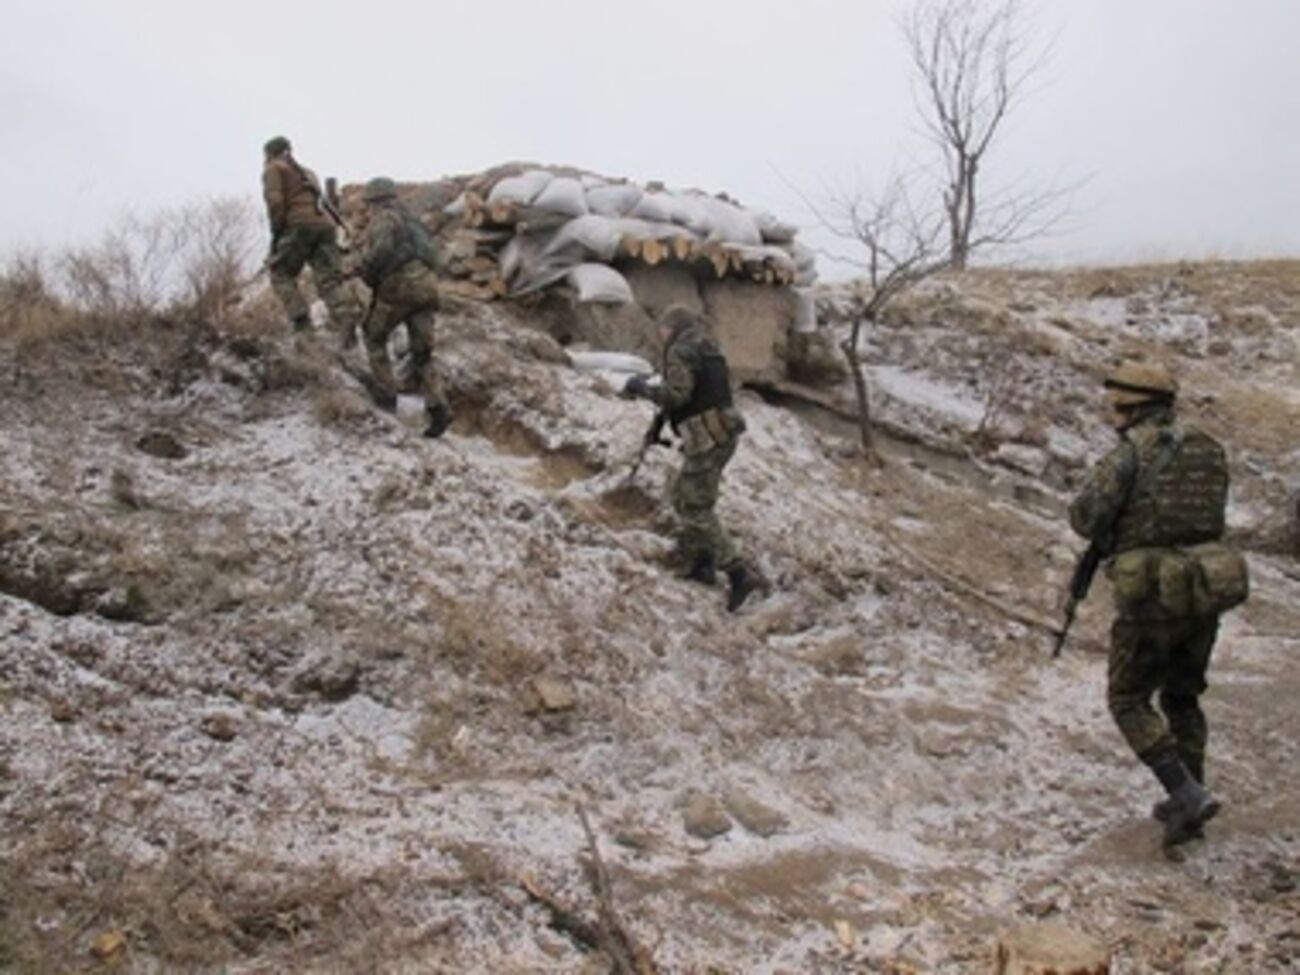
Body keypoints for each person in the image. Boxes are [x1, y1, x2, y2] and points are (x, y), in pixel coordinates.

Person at [1068, 359, 1246, 851]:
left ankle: (1184, 792)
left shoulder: (1128, 456)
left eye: (1115, 405)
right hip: (1205, 587)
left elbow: (1085, 517)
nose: (1110, 414)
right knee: (1182, 697)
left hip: (1151, 594)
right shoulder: (1208, 448)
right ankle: (1192, 802)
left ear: (1130, 405)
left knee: (1127, 699)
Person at [623, 305, 760, 612]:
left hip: (707, 437)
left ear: (671, 329)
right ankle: (703, 563)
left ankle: (738, 573)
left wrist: (642, 389)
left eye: (662, 329)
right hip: (722, 433)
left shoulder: (679, 352)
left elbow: (676, 397)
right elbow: (697, 393)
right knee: (689, 498)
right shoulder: (707, 348)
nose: (660, 335)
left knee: (693, 505)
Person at [348, 177, 451, 439]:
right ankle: (438, 408)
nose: (367, 210)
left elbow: (380, 253)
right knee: (422, 353)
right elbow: (435, 258)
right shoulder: (414, 222)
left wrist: (362, 267)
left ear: (375, 201)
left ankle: (387, 399)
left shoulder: (384, 219)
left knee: (373, 336)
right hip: (427, 289)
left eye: (368, 204)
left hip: (400, 288)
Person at [261, 135, 361, 341]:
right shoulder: (308, 172)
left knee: (280, 273)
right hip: (324, 227)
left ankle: (302, 324)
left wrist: (277, 231)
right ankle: (346, 318)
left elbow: (275, 202)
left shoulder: (274, 168)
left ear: (269, 153)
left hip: (298, 226)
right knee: (329, 279)